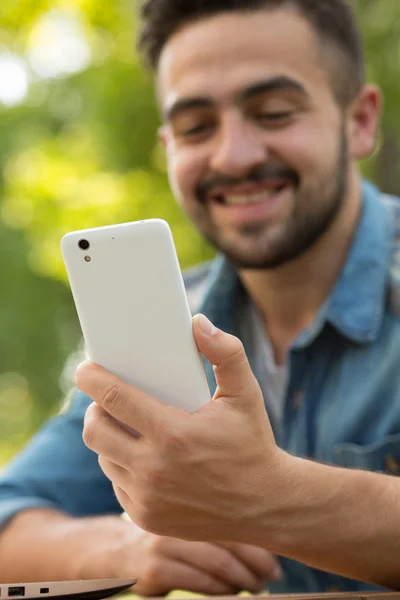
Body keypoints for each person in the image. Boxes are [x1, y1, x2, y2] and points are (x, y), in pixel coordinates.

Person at [1, 0, 400, 594]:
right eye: (195, 127)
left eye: (274, 112)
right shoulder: (168, 315)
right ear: (167, 150)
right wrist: (118, 545)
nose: (233, 155)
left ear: (360, 121)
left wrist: (269, 497)